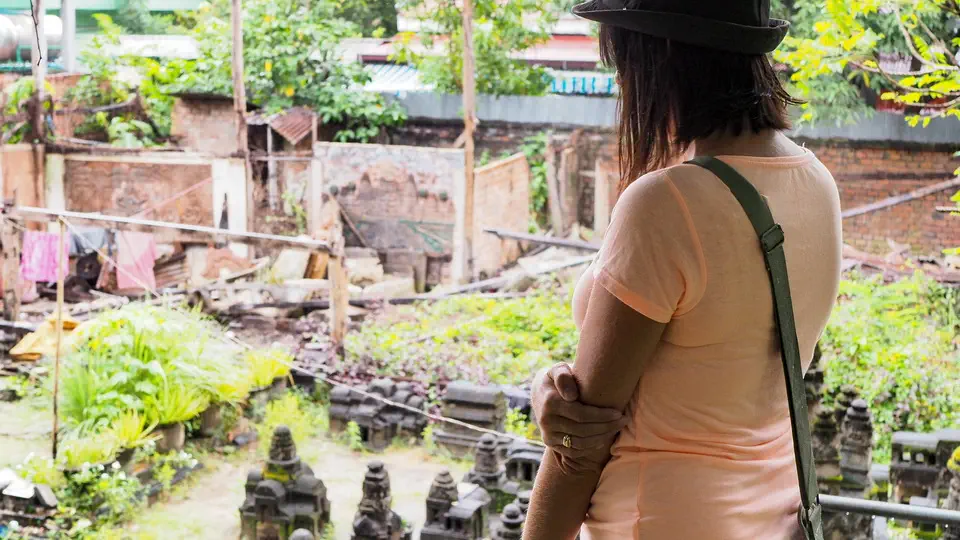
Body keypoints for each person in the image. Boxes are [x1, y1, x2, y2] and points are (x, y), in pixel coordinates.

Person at [523, 1, 843, 539]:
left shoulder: (667, 203)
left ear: (660, 55)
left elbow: (580, 446)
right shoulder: (817, 184)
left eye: (622, 62)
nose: (623, 84)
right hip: (770, 517)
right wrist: (546, 386)